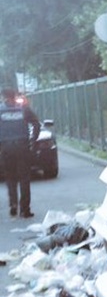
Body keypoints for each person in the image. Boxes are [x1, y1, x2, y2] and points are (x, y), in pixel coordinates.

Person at [0, 88, 40, 218]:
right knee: (24, 178)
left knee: (10, 178)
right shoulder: (23, 109)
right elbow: (36, 124)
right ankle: (25, 209)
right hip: (22, 146)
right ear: (15, 95)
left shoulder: (1, 110)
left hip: (6, 148)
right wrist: (33, 139)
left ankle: (13, 204)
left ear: (3, 96)